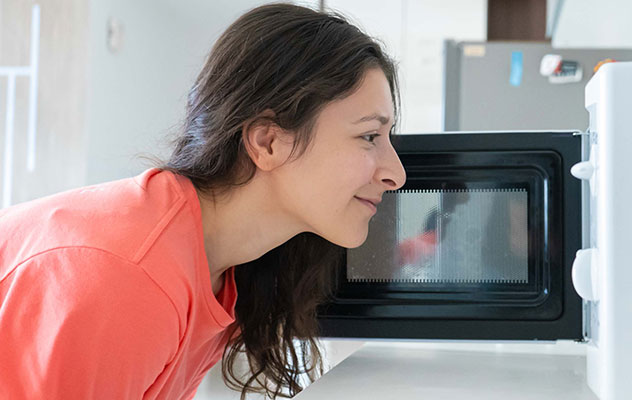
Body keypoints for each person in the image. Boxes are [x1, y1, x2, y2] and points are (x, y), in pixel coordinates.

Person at [0, 3, 404, 399]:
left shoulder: (221, 272)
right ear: (268, 142)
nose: (396, 174)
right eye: (369, 136)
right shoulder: (133, 280)